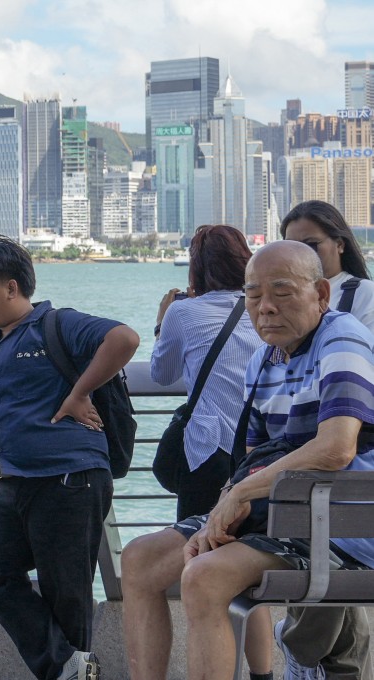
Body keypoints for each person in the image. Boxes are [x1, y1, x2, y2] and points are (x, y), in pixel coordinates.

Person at [121, 240, 374, 680]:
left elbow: (337, 447)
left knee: (204, 576)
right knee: (140, 559)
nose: (265, 308)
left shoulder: (343, 339)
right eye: (254, 295)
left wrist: (238, 494)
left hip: (346, 532)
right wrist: (223, 515)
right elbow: (256, 460)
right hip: (288, 519)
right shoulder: (263, 358)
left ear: (321, 294)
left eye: (282, 292)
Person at [0, 235, 140, 680]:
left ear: (11, 287)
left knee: (67, 593)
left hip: (71, 477)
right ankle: (71, 666)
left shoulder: (57, 324)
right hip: (13, 480)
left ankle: (71, 667)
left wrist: (79, 392)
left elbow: (124, 338)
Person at [279, 199, 374, 678]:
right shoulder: (286, 300)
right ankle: (314, 656)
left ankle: (302, 650)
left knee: (327, 553)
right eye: (292, 243)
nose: (302, 251)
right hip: (314, 445)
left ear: (339, 243)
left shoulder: (360, 299)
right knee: (325, 557)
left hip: (347, 443)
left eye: (311, 243)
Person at [152, 225, 263, 520]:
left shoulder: (182, 312)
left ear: (197, 267)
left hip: (207, 448)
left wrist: (161, 323)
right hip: (259, 448)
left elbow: (162, 375)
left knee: (194, 542)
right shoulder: (264, 309)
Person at [281, 199, 374, 332]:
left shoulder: (363, 293)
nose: (299, 253)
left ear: (340, 244)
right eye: (290, 247)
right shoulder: (279, 296)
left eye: (310, 244)